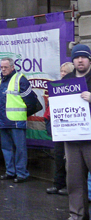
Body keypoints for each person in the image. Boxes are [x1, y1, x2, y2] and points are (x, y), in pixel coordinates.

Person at [0, 57, 37, 183]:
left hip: (16, 121)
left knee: (20, 149)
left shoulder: (20, 79)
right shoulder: (0, 80)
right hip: (4, 120)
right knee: (7, 148)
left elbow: (31, 100)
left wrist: (23, 114)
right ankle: (10, 172)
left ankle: (21, 173)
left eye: (5, 67)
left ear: (12, 67)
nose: (3, 69)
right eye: (1, 67)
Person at [62, 44, 91, 219]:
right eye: (77, 57)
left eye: (84, 57)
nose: (80, 60)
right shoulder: (67, 79)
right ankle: (76, 215)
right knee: (74, 181)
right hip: (72, 139)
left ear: (89, 59)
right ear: (73, 60)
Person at [46, 62, 74, 195]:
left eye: (66, 72)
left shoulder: (76, 87)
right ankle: (58, 184)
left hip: (71, 128)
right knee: (58, 157)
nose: (63, 74)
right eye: (62, 71)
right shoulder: (57, 86)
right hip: (59, 127)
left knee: (70, 160)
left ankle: (70, 186)